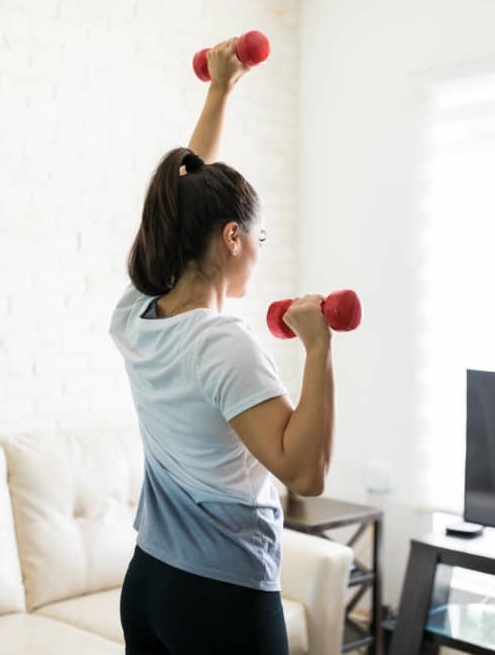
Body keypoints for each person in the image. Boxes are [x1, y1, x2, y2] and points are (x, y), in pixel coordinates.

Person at [108, 37, 335, 655]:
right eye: (259, 234)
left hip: (149, 583)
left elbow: (183, 194)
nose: (262, 248)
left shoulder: (136, 313)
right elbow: (305, 472)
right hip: (222, 596)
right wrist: (318, 349)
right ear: (234, 237)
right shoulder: (222, 344)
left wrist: (220, 88)